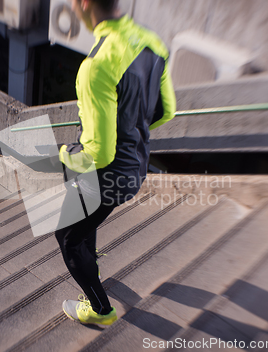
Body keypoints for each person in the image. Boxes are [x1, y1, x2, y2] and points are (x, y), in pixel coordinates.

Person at [54, 0, 176, 326]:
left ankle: (100, 310)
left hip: (106, 177)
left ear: (83, 4)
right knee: (84, 224)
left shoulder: (97, 65)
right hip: (136, 167)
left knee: (67, 238)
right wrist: (132, 131)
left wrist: (63, 154)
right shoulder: (152, 41)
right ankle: (90, 259)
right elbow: (166, 111)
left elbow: (98, 154)